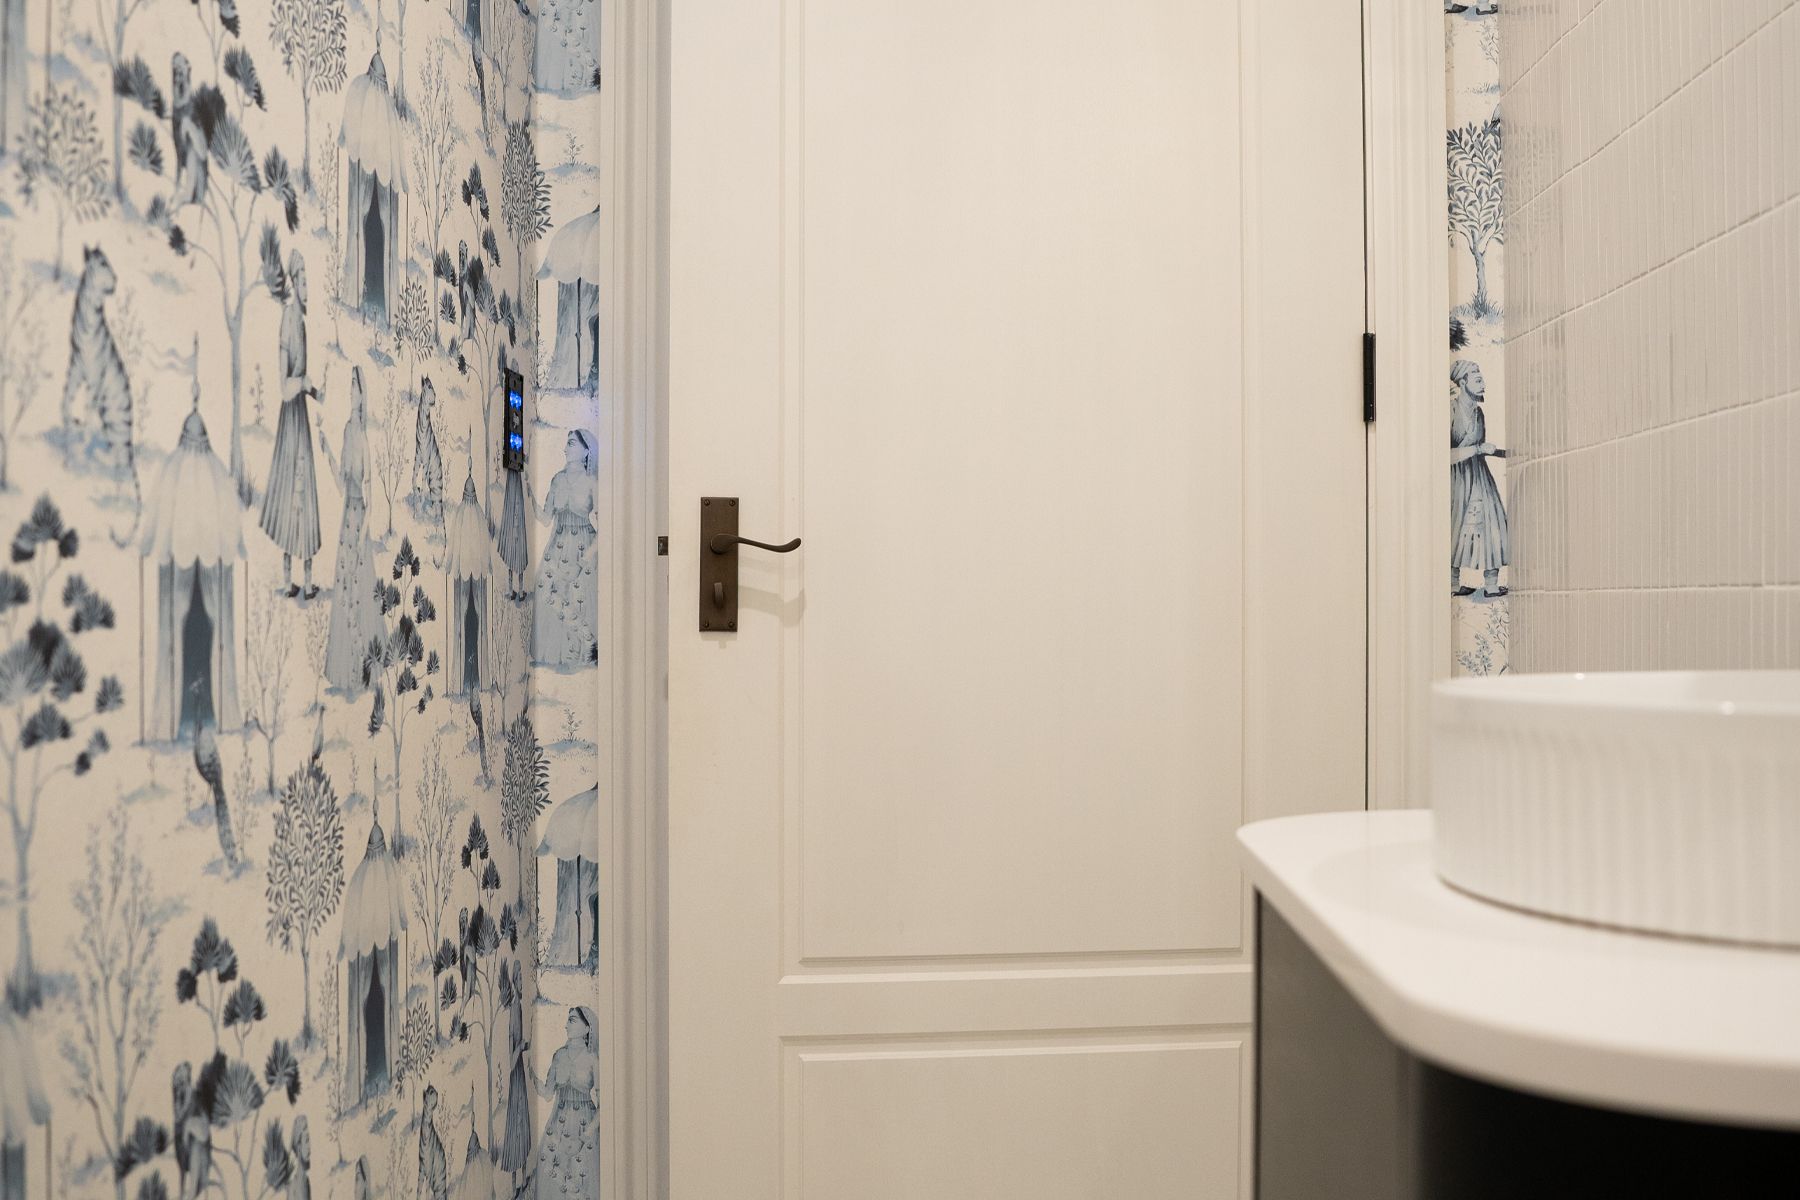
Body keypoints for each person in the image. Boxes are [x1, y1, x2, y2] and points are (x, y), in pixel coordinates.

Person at [262, 251, 323, 598]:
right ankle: (290, 581)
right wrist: (303, 384)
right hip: (291, 420)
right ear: (294, 283)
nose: (307, 289)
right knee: (292, 492)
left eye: (308, 283)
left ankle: (308, 581)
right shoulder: (288, 320)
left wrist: (316, 391)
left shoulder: (300, 322)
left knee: (305, 492)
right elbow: (284, 387)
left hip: (300, 417)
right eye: (303, 282)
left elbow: (300, 384)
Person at [321, 366, 378, 691]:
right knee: (344, 594)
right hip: (347, 520)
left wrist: (362, 536)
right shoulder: (346, 431)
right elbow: (343, 485)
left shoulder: (363, 438)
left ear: (362, 394)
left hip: (359, 524)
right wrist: (327, 451)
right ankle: (352, 666)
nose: (350, 392)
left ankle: (362, 665)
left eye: (354, 387)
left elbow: (370, 497)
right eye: (349, 386)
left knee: (358, 595)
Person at [531, 430, 596, 667]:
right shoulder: (557, 480)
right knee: (547, 592)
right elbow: (546, 518)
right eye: (566, 444)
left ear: (586, 451)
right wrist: (528, 495)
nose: (565, 449)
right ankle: (584, 641)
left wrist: (587, 557)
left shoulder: (592, 482)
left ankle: (582, 648)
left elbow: (604, 526)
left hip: (583, 546)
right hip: (557, 546)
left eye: (571, 444)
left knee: (577, 597)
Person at [1450, 359, 1509, 598]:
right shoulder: (1451, 410)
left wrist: (1503, 453)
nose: (1483, 384)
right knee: (1454, 526)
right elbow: (1442, 455)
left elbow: (1482, 447)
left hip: (1479, 476)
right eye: (1477, 380)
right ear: (1463, 383)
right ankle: (1453, 585)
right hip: (1457, 478)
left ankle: (1491, 584)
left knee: (1493, 521)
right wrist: (1477, 449)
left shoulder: (1478, 413)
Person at [534, 1007, 600, 1198]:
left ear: (587, 1028)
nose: (565, 1026)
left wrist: (583, 1138)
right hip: (557, 1126)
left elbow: (603, 1107)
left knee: (581, 1178)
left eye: (572, 1020)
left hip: (584, 1128)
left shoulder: (592, 1059)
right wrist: (530, 1076)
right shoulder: (559, 1055)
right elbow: (548, 1093)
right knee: (551, 1173)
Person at [500, 959, 532, 1187]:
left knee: (523, 1123)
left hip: (520, 1074)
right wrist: (520, 1047)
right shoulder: (513, 1009)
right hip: (515, 1077)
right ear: (514, 981)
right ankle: (514, 1186)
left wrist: (527, 1045)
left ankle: (522, 1179)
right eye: (520, 979)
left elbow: (520, 1048)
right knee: (516, 1125)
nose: (522, 983)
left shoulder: (519, 1006)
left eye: (522, 979)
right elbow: (511, 1061)